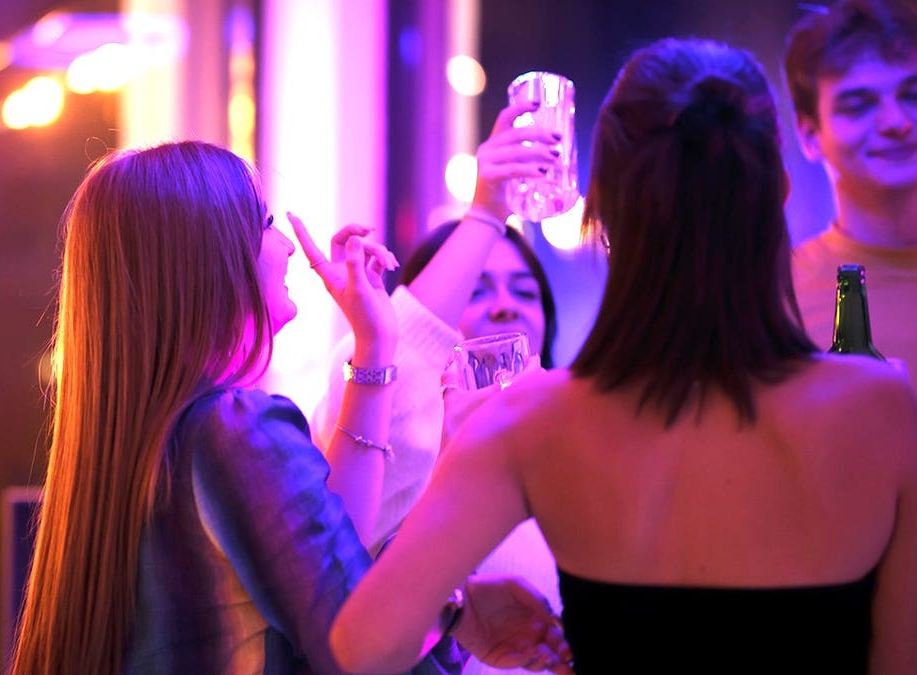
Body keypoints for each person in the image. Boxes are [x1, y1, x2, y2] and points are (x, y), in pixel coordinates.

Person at [331, 37, 917, 675]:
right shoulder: (885, 410)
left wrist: (458, 610)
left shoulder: (532, 421)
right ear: (778, 188)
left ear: (603, 206)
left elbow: (364, 645)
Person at [8, 140, 568, 674]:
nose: (288, 245)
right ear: (216, 259)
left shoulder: (147, 441)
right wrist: (460, 475)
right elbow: (361, 648)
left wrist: (376, 347)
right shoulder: (237, 429)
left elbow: (330, 558)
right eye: (268, 223)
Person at [313, 100, 562, 675]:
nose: (505, 305)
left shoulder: (581, 434)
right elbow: (402, 355)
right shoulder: (398, 434)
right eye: (479, 288)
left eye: (524, 290)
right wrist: (486, 213)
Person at [785, 0, 917, 386]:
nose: (896, 123)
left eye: (913, 95)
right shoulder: (778, 300)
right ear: (810, 135)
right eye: (858, 105)